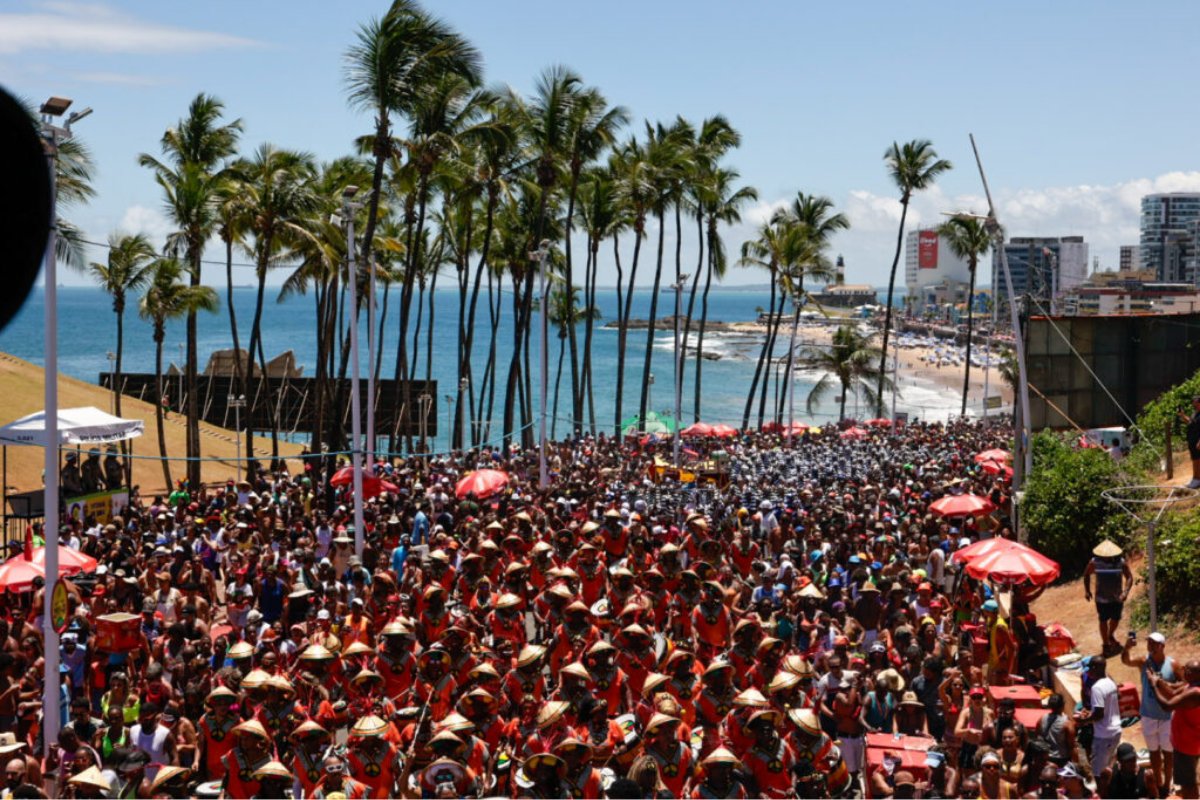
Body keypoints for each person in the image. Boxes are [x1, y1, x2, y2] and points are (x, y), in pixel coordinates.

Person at [1123, 630, 1176, 791]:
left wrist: (1164, 685)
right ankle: (1159, 783)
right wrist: (1126, 647)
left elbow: (1184, 684)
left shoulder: (1173, 664)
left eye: (1154, 643)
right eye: (1149, 642)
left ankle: (1168, 783)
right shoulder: (1143, 661)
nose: (1150, 646)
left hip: (1167, 717)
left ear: (1162, 646)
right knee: (1153, 752)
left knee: (1168, 753)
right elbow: (1126, 660)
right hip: (1148, 716)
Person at [1151, 659, 1200, 800]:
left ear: (1191, 673)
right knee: (1188, 781)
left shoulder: (1195, 693)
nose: (1183, 669)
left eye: (1186, 668)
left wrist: (1154, 686)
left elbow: (1167, 705)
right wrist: (1159, 681)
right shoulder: (1190, 686)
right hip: (1185, 743)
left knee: (1188, 784)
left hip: (1187, 746)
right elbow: (1172, 691)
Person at [1083, 540, 1133, 656]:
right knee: (1103, 620)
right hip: (1101, 598)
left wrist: (1125, 592)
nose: (1106, 557)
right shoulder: (1095, 562)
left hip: (1117, 597)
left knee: (1115, 619)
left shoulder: (1120, 562)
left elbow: (1129, 577)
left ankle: (1110, 635)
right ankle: (1105, 644)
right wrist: (1087, 591)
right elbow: (1086, 575)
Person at [1084, 656, 1122, 778]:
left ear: (1096, 668)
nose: (1088, 670)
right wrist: (1091, 713)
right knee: (1109, 769)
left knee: (1098, 773)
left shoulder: (1097, 688)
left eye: (1090, 667)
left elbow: (1099, 715)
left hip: (1103, 735)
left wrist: (1084, 720)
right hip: (1115, 732)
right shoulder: (1110, 682)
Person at [1177, 395, 1200, 489]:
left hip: (1198, 441)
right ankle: (1195, 479)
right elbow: (1190, 422)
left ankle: (1197, 479)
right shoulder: (1195, 413)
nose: (1193, 403)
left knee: (1198, 460)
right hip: (1192, 440)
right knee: (1194, 459)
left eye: (1195, 401)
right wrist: (1182, 415)